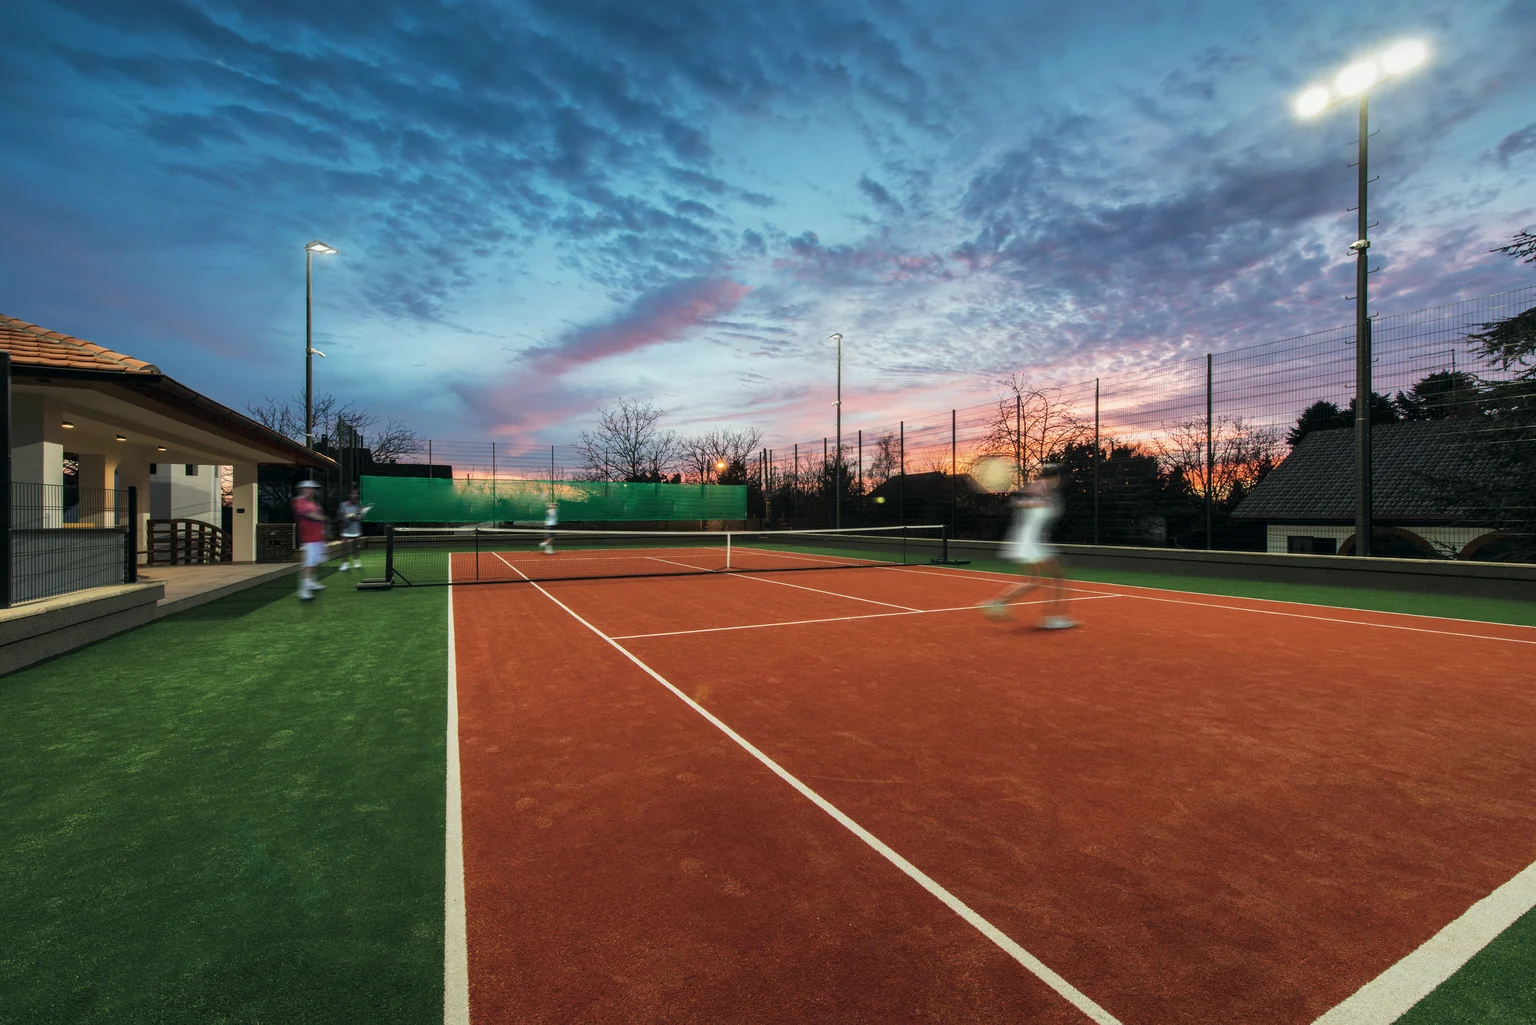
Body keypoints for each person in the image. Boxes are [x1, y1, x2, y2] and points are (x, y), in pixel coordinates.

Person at [979, 464, 1077, 629]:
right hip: (1031, 541)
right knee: (1059, 576)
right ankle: (1053, 618)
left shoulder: (1045, 492)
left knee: (1034, 581)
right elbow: (1021, 502)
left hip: (1028, 540)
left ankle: (996, 603)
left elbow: (1020, 502)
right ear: (1056, 477)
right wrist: (1036, 502)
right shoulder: (1040, 490)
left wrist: (1035, 502)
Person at [292, 480, 329, 600]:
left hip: (318, 537)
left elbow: (320, 519)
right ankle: (303, 590)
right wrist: (324, 518)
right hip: (309, 538)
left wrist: (324, 533)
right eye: (308, 488)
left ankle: (310, 583)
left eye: (312, 488)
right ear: (303, 489)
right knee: (308, 563)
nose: (311, 490)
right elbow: (310, 515)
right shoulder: (299, 501)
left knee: (315, 561)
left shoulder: (314, 503)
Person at [336, 488, 372, 571]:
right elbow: (339, 516)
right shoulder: (343, 505)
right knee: (345, 547)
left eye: (356, 494)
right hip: (345, 528)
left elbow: (362, 516)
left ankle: (356, 561)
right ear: (349, 495)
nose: (355, 495)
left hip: (355, 528)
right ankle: (345, 564)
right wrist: (344, 520)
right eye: (353, 494)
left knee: (356, 546)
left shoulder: (359, 505)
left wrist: (356, 517)